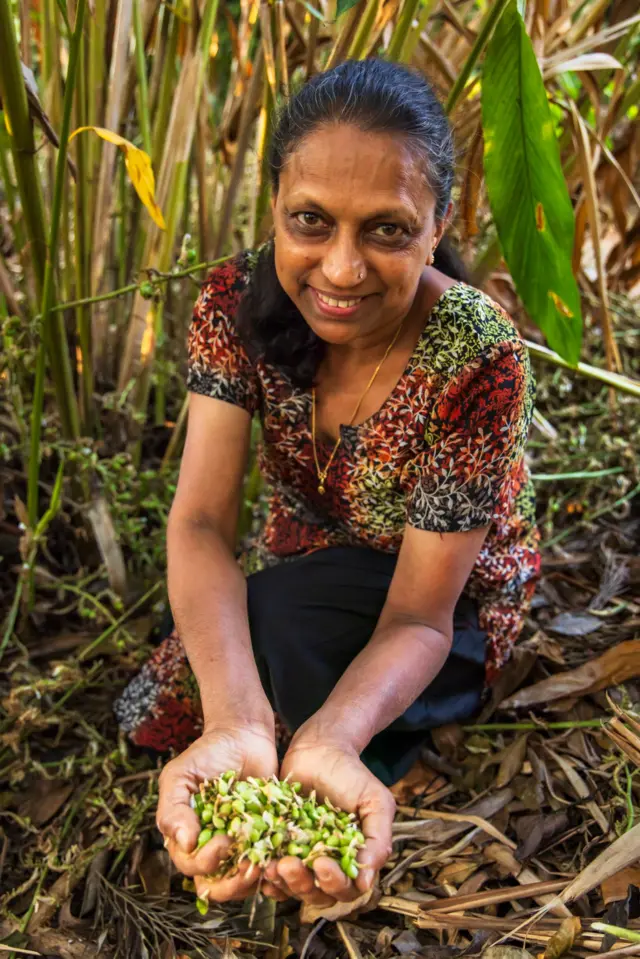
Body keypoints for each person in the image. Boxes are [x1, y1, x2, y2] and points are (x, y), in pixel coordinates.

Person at [115, 58, 540, 910]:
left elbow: (419, 615)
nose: (342, 270)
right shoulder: (232, 301)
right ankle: (274, 729)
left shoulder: (478, 354)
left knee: (272, 622)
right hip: (311, 560)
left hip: (445, 603)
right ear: (274, 203)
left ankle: (366, 749)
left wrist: (335, 735)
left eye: (387, 230)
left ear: (438, 225)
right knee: (202, 637)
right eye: (310, 221)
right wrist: (233, 718)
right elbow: (200, 526)